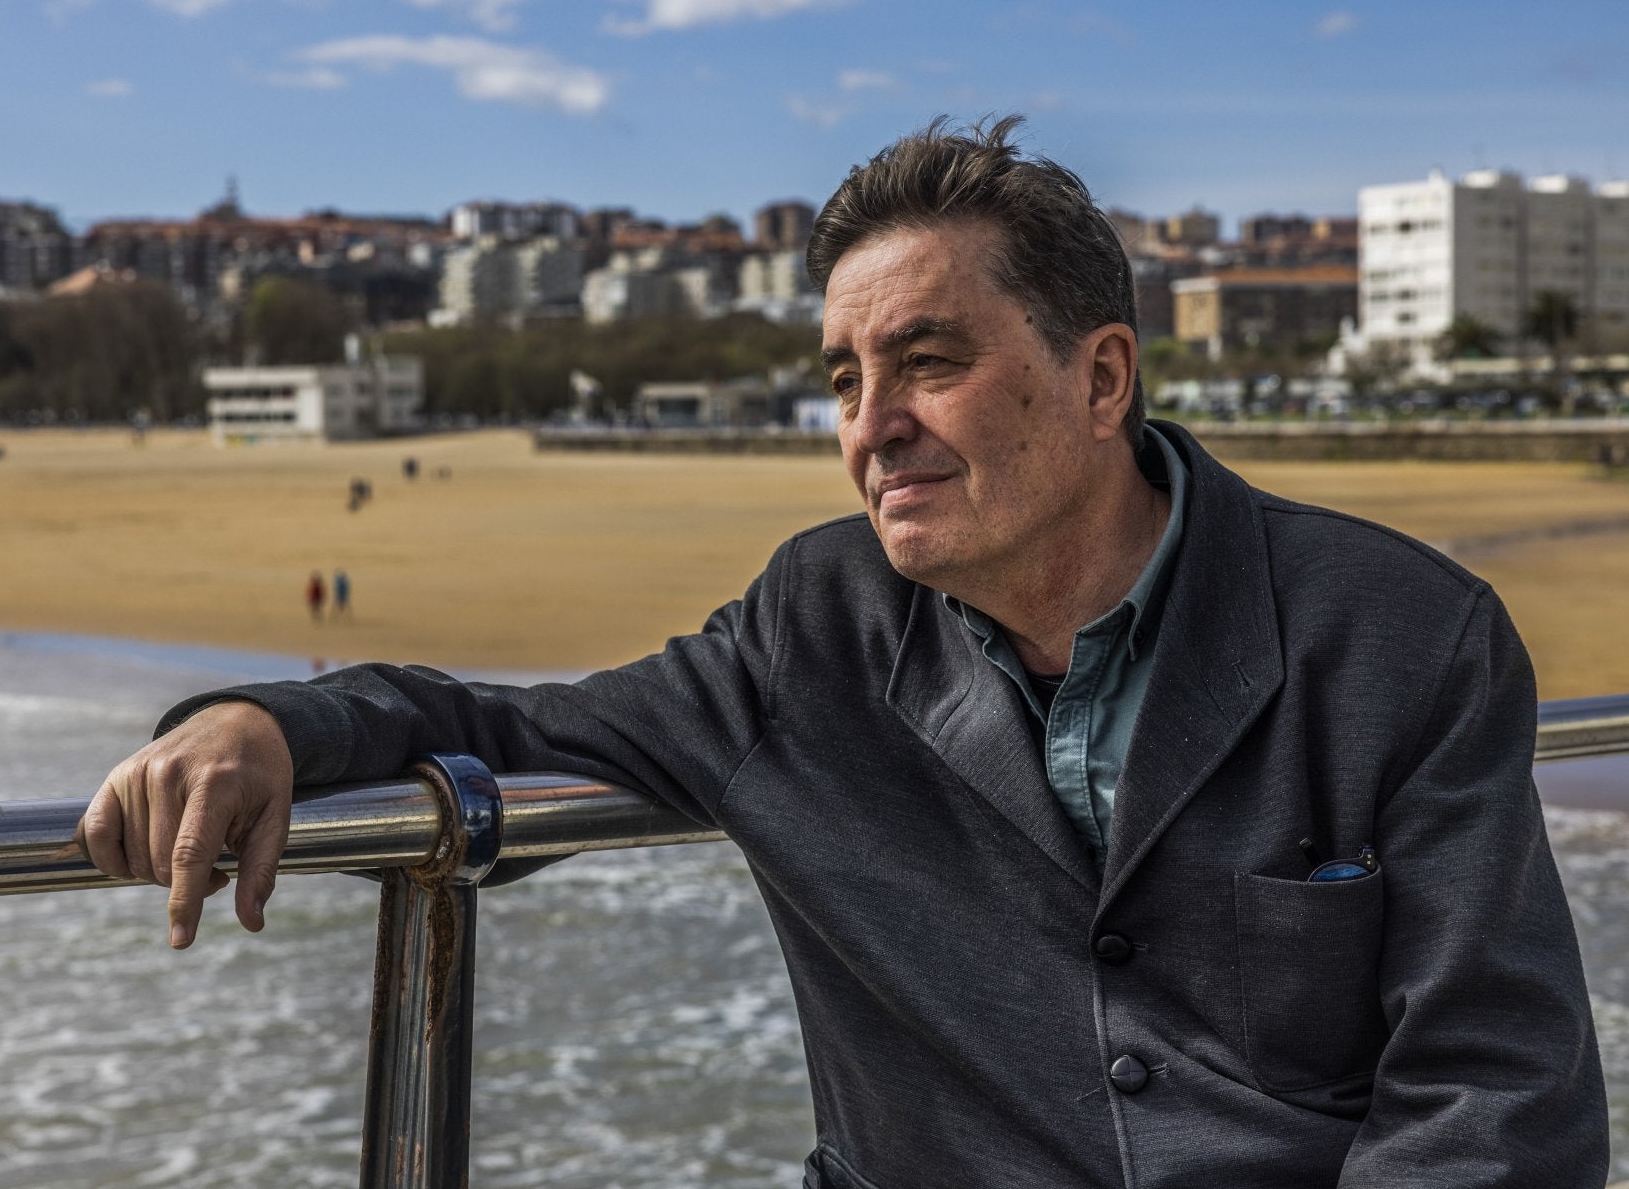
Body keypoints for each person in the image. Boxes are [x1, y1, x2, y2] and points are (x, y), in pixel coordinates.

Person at [82, 118, 1606, 1186]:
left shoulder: (1402, 637)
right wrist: (263, 726)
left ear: (1101, 378)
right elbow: (512, 726)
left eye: (929, 363)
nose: (870, 428)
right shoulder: (815, 629)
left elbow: (1497, 1099)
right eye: (844, 376)